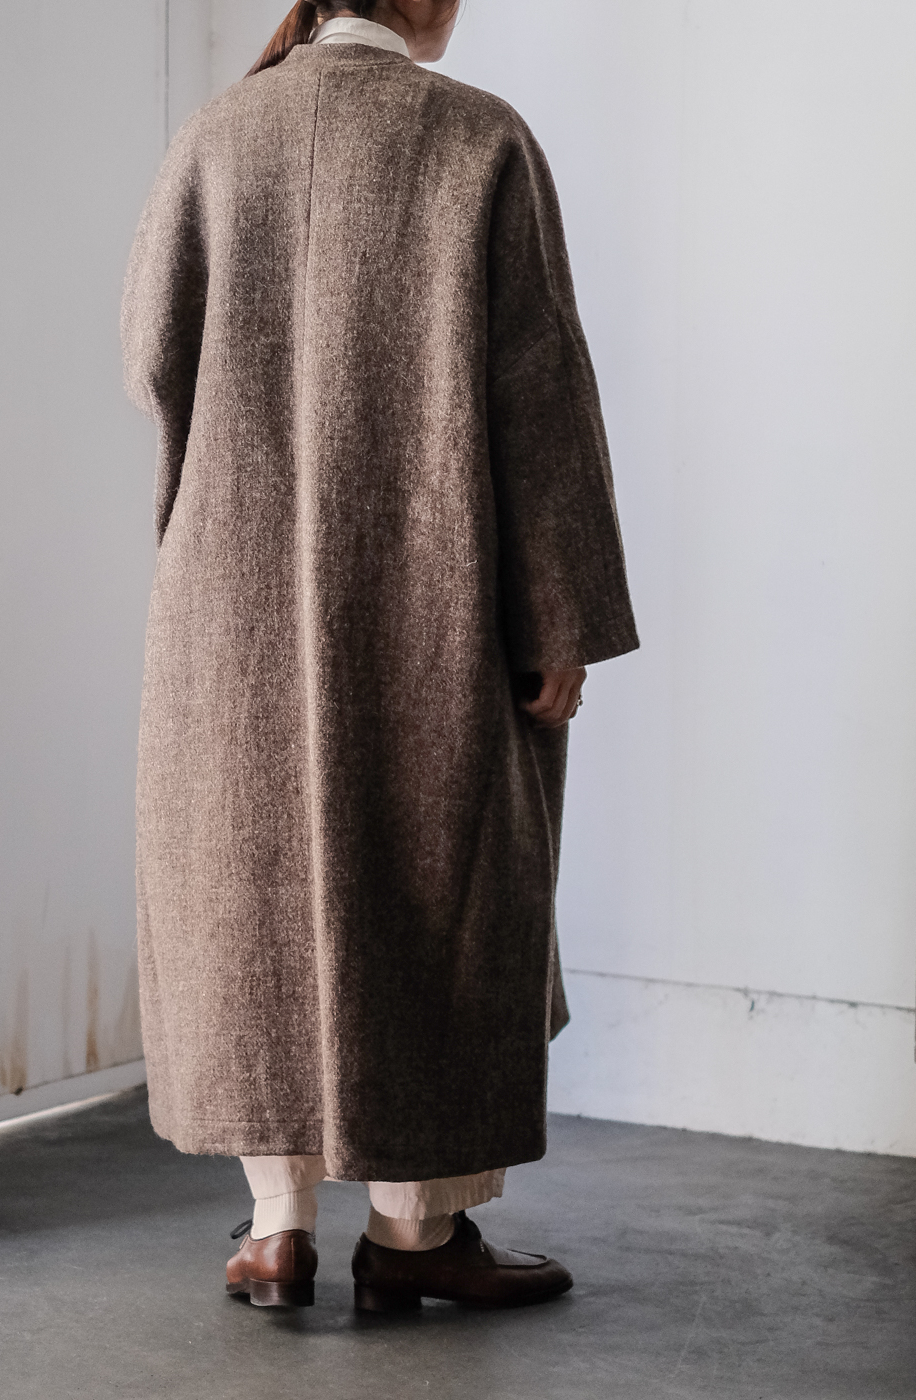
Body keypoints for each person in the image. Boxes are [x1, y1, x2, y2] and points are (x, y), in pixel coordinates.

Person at [121, 0, 638, 1313]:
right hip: (433, 595)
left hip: (230, 602)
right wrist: (563, 614)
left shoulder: (216, 135)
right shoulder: (478, 141)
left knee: (251, 897)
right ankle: (415, 1232)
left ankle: (275, 1229)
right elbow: (539, 393)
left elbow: (153, 361)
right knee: (439, 892)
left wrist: (205, 522)